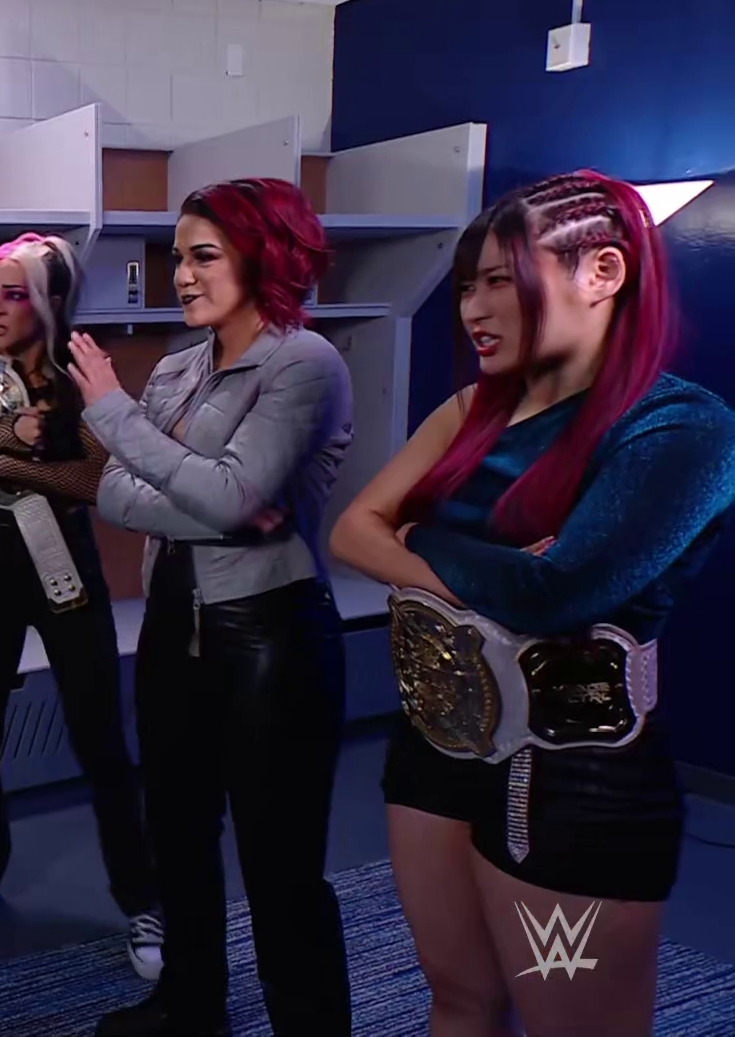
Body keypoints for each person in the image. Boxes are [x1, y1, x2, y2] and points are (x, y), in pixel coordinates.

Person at [329, 170, 735, 1037]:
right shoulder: (473, 409)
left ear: (604, 272)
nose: (473, 308)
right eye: (466, 285)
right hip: (435, 744)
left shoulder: (682, 428)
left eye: (499, 280)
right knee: (459, 1000)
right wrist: (490, 575)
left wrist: (419, 540)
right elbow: (353, 532)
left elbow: (556, 594)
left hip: (574, 778)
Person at [72, 179, 354, 1037]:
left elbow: (229, 499)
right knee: (177, 836)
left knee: (280, 864)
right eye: (177, 258)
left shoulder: (305, 363)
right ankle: (189, 1008)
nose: (183, 276)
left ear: (264, 256)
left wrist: (113, 413)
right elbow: (116, 492)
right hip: (172, 628)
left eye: (204, 256)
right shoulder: (176, 368)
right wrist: (209, 498)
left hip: (269, 640)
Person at [0, 233, 163, 977]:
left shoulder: (81, 379)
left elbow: (98, 484)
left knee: (100, 736)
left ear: (49, 302)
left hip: (62, 562)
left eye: (15, 294)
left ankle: (144, 899)